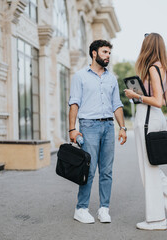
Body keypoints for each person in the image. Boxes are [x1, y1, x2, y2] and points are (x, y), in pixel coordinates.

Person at [124, 33, 167, 231]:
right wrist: (144, 95)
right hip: (154, 118)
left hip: (147, 119)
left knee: (149, 170)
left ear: (148, 46)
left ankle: (156, 220)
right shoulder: (164, 70)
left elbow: (156, 101)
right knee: (152, 169)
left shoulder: (153, 69)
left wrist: (136, 95)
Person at [68, 39, 127, 224]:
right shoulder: (80, 76)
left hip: (109, 126)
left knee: (107, 171)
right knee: (89, 170)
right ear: (94, 53)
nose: (108, 56)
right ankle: (81, 208)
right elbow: (74, 103)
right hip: (89, 127)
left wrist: (123, 127)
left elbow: (116, 104)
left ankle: (104, 209)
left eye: (109, 53)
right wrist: (72, 129)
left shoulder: (111, 78)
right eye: (104, 52)